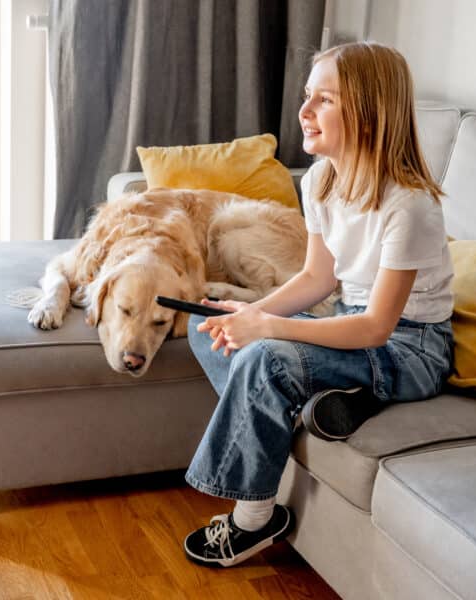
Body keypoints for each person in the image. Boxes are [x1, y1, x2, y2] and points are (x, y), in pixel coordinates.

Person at [182, 42, 455, 568]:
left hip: (414, 348)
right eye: (307, 97)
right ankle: (343, 395)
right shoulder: (320, 183)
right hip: (356, 328)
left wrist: (269, 329)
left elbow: (377, 327)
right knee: (212, 324)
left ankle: (254, 518)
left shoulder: (410, 205)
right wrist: (251, 315)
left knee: (264, 356)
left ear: (370, 114)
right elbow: (316, 278)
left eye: (323, 100)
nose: (303, 112)